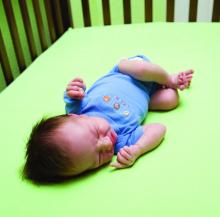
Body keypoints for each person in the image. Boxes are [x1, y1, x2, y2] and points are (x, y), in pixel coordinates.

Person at [23, 55, 193, 183]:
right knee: (171, 100)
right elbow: (159, 128)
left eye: (96, 134)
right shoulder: (123, 143)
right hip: (146, 96)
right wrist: (138, 149)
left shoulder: (79, 108)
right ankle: (162, 84)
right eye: (97, 158)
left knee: (140, 68)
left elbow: (73, 92)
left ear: (76, 117)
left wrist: (74, 89)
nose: (106, 144)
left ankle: (168, 78)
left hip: (127, 72)